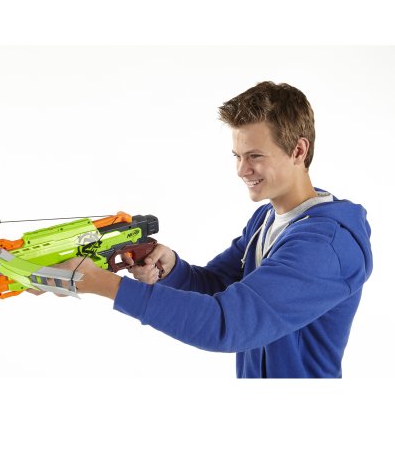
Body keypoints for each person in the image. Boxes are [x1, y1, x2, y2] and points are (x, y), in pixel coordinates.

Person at [36, 81, 373, 378]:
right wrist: (171, 269)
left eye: (255, 156)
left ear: (298, 150)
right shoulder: (267, 219)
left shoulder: (327, 245)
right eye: (237, 156)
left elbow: (226, 323)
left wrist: (104, 284)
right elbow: (217, 286)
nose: (241, 170)